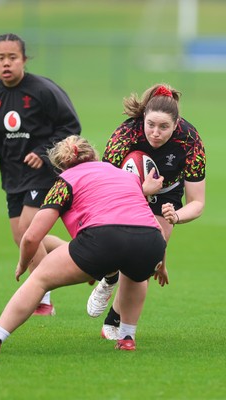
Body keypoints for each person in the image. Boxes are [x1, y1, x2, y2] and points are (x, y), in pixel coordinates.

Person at [0, 135, 168, 354]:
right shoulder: (124, 175)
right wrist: (161, 264)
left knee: (39, 279)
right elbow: (144, 220)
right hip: (152, 242)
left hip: (102, 239)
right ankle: (127, 337)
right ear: (94, 155)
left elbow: (32, 236)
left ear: (60, 167)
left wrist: (24, 264)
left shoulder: (65, 180)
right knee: (136, 272)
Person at [87, 83, 206, 340]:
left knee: (145, 259)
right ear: (143, 118)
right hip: (125, 190)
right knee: (119, 247)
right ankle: (109, 276)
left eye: (164, 127)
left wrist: (177, 216)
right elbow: (105, 184)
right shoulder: (126, 133)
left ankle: (114, 319)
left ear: (177, 125)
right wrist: (141, 190)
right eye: (150, 124)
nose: (155, 132)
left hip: (167, 195)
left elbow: (197, 203)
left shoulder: (190, 140)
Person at [0, 33, 81, 315]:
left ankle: (43, 298)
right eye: (1, 58)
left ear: (24, 59)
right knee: (22, 238)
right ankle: (87, 259)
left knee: (29, 230)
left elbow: (71, 126)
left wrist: (43, 151)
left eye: (12, 57)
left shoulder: (43, 90)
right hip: (13, 173)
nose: (6, 63)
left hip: (43, 172)